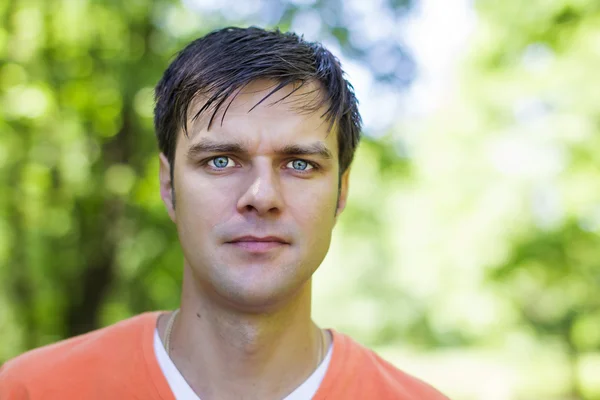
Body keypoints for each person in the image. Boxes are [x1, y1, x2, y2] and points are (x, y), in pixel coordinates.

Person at [0, 26, 448, 400]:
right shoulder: (32, 390)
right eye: (220, 160)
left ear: (341, 192)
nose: (261, 195)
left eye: (299, 164)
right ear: (167, 184)